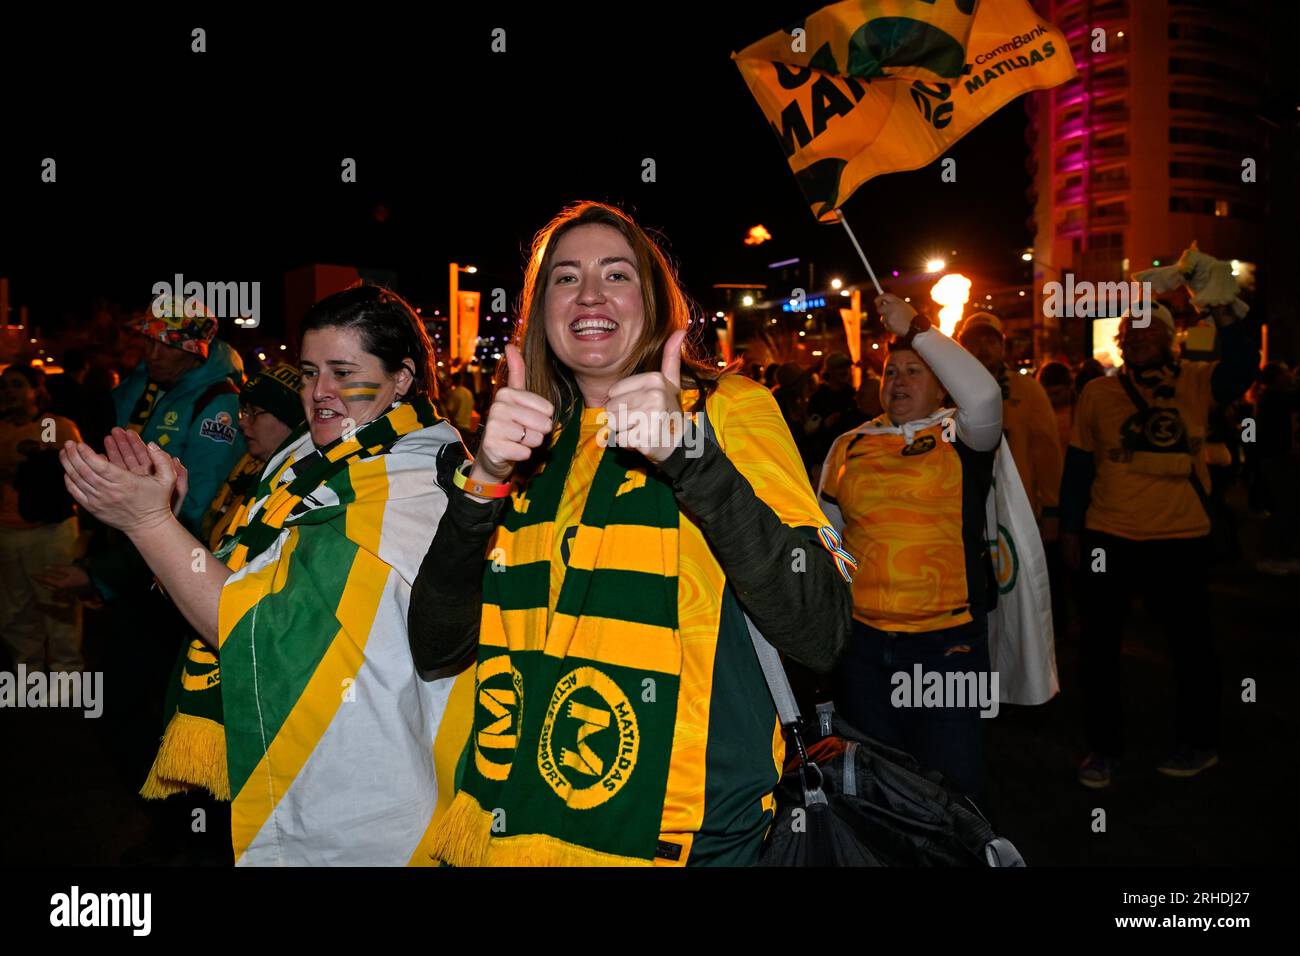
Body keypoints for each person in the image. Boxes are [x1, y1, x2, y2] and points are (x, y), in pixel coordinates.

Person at [408, 201, 852, 867]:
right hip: (521, 822)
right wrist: (484, 480)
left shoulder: (727, 411)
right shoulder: (527, 441)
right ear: (540, 310)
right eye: (565, 277)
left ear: (653, 300)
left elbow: (820, 627)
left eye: (616, 275)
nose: (589, 294)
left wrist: (690, 458)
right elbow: (435, 646)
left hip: (687, 836)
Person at [60, 285, 468, 865]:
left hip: (361, 787)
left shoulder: (403, 482)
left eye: (343, 372)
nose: (319, 393)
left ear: (401, 379)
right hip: (310, 754)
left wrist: (147, 523)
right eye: (308, 372)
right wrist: (168, 518)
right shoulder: (327, 455)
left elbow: (257, 627)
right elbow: (247, 576)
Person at [1061, 300, 1260, 788]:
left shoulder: (1196, 380)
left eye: (1154, 328)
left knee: (1192, 647)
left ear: (1173, 338)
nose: (1141, 335)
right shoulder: (1096, 391)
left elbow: (1240, 368)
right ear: (1121, 340)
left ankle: (1199, 742)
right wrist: (1069, 529)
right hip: (1109, 532)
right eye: (1133, 329)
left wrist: (1229, 312)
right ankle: (1103, 748)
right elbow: (1080, 465)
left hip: (1181, 537)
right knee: (1098, 649)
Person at [819, 294, 1003, 800]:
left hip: (946, 645)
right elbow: (831, 538)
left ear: (942, 384)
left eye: (914, 371)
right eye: (890, 372)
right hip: (864, 645)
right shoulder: (849, 444)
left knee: (952, 783)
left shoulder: (962, 436)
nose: (897, 381)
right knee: (876, 782)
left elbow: (985, 397)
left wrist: (919, 329)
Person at [0, 364, 84, 674]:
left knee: (58, 603)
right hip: (7, 531)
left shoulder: (55, 425)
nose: (9, 391)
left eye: (18, 384)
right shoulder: (3, 427)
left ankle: (67, 672)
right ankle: (27, 672)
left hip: (49, 531)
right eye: (5, 384)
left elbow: (72, 470)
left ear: (37, 390)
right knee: (14, 609)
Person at [958, 311, 1062, 544]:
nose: (983, 349)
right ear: (962, 347)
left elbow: (1047, 453)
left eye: (991, 342)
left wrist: (1052, 508)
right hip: (963, 513)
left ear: (1002, 347)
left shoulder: (1027, 389)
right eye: (974, 343)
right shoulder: (946, 391)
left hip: (1017, 510)